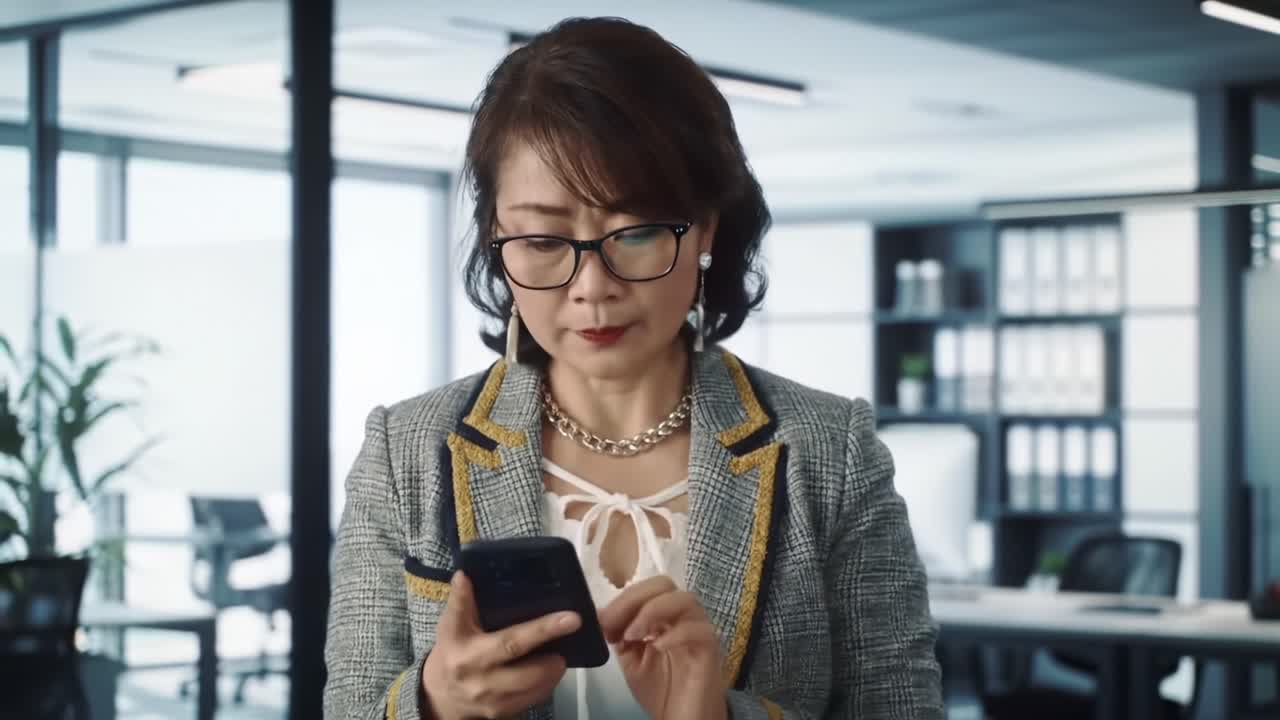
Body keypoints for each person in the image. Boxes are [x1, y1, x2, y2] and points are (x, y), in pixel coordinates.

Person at [324, 16, 943, 720]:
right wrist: (434, 701)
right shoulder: (406, 452)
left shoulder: (831, 452)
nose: (592, 285)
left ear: (706, 226)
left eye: (638, 231)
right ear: (498, 239)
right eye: (544, 239)